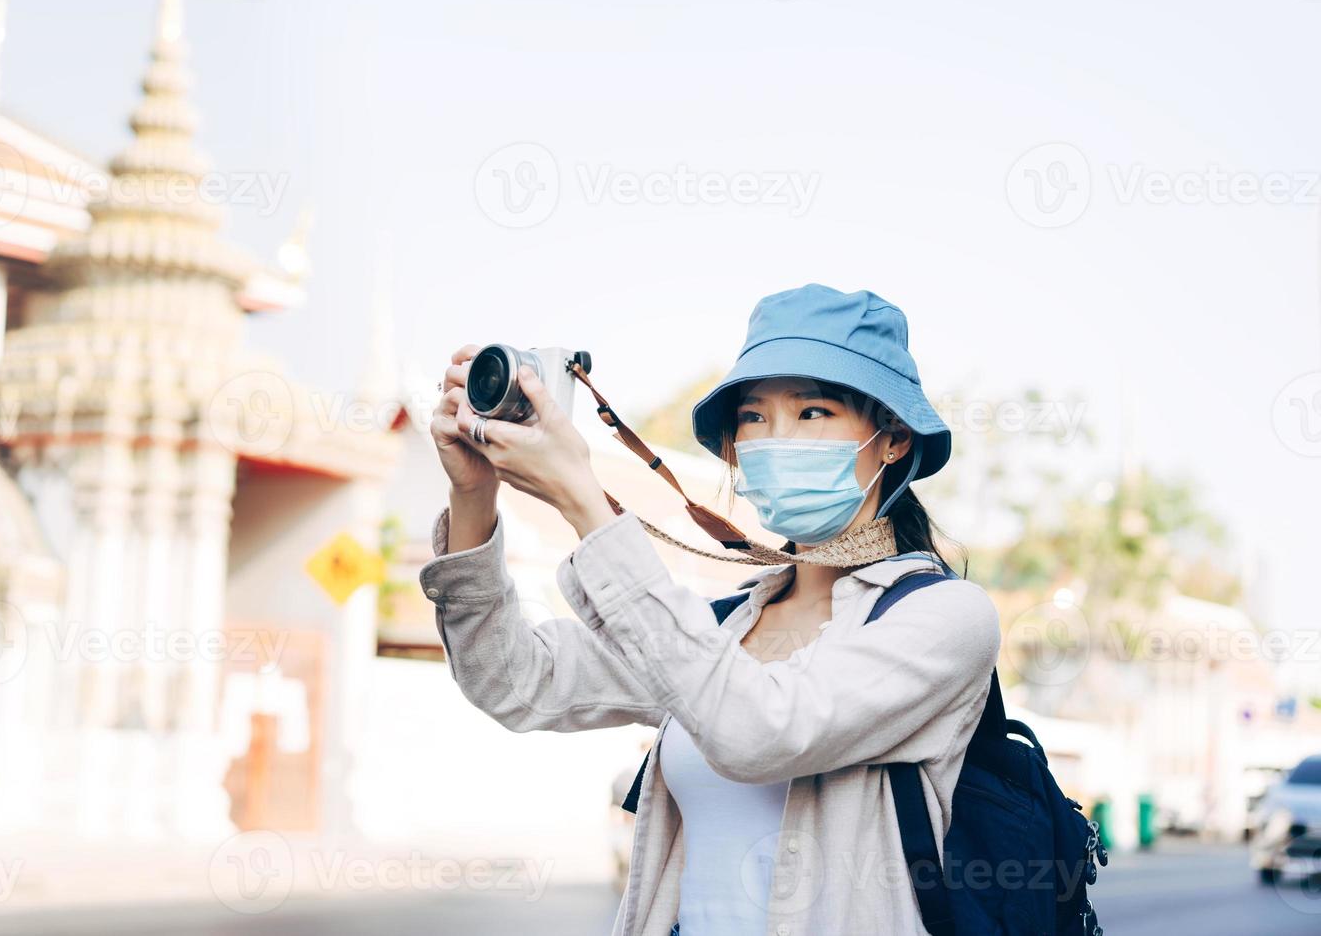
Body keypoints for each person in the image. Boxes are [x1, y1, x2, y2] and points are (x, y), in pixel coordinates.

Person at [418, 284, 1001, 936]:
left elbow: (761, 731)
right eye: (753, 417)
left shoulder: (947, 619)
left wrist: (583, 498)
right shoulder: (719, 629)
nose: (776, 437)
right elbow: (511, 679)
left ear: (892, 439)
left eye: (813, 412)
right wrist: (473, 495)